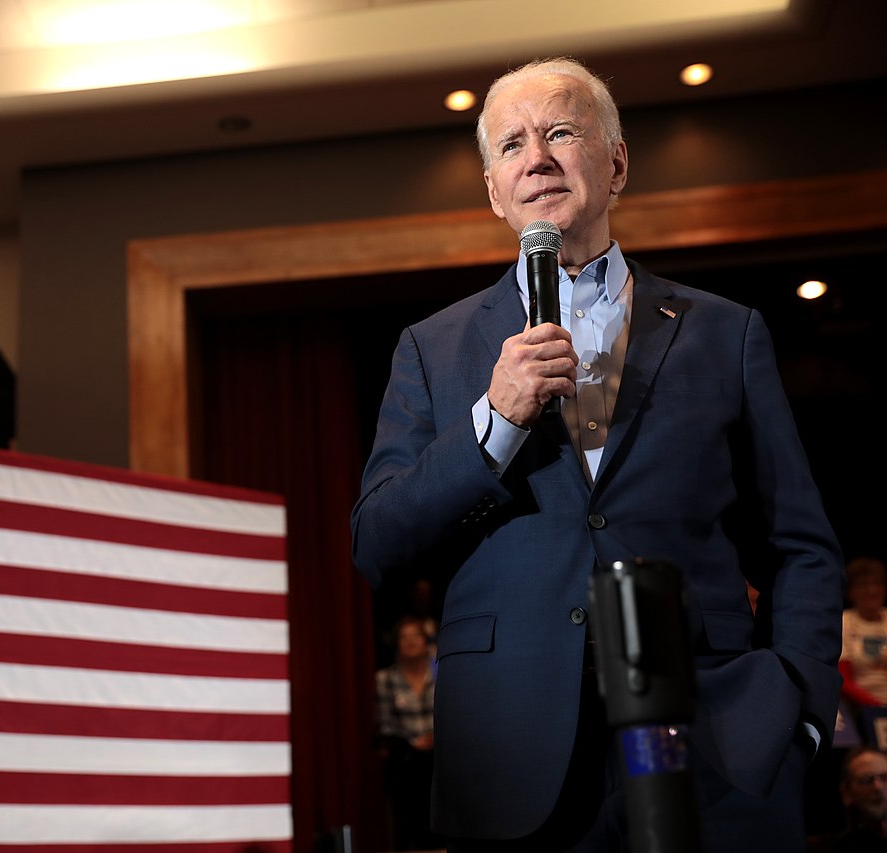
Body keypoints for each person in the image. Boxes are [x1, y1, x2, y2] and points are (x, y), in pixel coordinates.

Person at [349, 56, 844, 851]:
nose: (536, 157)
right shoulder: (431, 348)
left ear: (616, 163)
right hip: (512, 758)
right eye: (511, 144)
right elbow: (377, 542)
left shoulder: (727, 330)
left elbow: (801, 546)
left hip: (716, 747)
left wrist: (800, 712)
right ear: (492, 191)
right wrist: (495, 419)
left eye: (560, 132)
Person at [375, 616, 439, 851]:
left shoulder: (443, 673)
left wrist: (436, 738)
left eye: (416, 636)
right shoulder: (384, 679)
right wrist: (412, 741)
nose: (411, 641)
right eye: (404, 637)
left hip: (442, 754)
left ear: (427, 641)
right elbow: (384, 724)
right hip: (405, 758)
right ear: (396, 643)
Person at [842, 558, 887, 716]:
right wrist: (878, 707)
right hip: (861, 710)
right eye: (864, 585)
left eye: (877, 584)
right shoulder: (844, 622)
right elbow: (844, 680)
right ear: (851, 591)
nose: (872, 590)